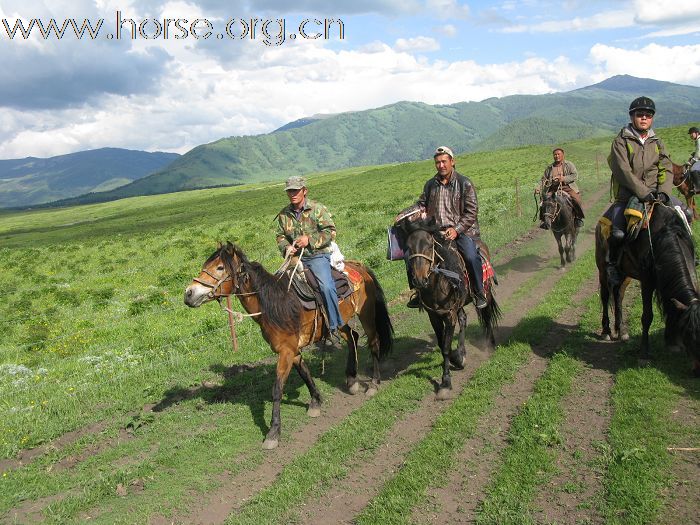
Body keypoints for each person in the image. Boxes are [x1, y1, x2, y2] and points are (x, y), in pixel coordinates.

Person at [404, 146, 488, 309]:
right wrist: (405, 214)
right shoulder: (430, 185)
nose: (441, 165)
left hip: (462, 231)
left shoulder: (464, 183)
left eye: (444, 161)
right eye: (437, 162)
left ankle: (478, 291)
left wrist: (456, 229)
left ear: (452, 162)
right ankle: (418, 291)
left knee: (470, 256)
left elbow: (472, 211)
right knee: (410, 254)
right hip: (435, 231)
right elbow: (421, 204)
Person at [604, 96, 674, 286]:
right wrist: (643, 192)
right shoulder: (620, 141)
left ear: (652, 118)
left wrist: (664, 192)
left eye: (648, 115)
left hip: (657, 194)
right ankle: (612, 265)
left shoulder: (657, 142)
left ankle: (685, 258)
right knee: (616, 231)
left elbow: (666, 168)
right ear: (632, 116)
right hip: (628, 195)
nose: (644, 118)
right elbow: (623, 171)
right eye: (640, 114)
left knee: (686, 215)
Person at [276, 176, 343, 339]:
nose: (292, 194)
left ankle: (335, 325)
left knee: (326, 286)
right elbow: (280, 236)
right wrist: (287, 247)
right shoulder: (284, 215)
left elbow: (330, 232)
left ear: (304, 191)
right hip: (295, 258)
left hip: (317, 255)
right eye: (290, 191)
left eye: (296, 190)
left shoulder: (317, 209)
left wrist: (309, 240)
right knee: (277, 286)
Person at [536, 148, 584, 229]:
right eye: (555, 154)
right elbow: (543, 179)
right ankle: (544, 221)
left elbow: (575, 175)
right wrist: (538, 187)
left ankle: (578, 218)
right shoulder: (549, 168)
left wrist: (564, 179)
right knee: (544, 202)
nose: (556, 156)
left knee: (577, 199)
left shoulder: (569, 165)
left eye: (558, 154)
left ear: (563, 155)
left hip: (567, 187)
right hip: (553, 189)